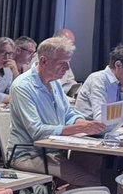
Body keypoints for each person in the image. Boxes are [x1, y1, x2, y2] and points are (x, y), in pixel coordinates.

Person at [7, 35, 105, 186]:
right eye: (62, 63)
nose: (67, 68)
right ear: (44, 61)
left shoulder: (55, 82)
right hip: (29, 154)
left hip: (54, 151)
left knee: (97, 166)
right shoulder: (22, 86)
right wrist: (79, 128)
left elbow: (68, 114)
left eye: (68, 63)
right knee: (91, 181)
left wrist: (85, 124)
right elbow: (37, 131)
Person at [74, 44, 123, 121]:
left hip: (109, 129)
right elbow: (101, 119)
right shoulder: (98, 79)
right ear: (118, 65)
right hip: (87, 129)